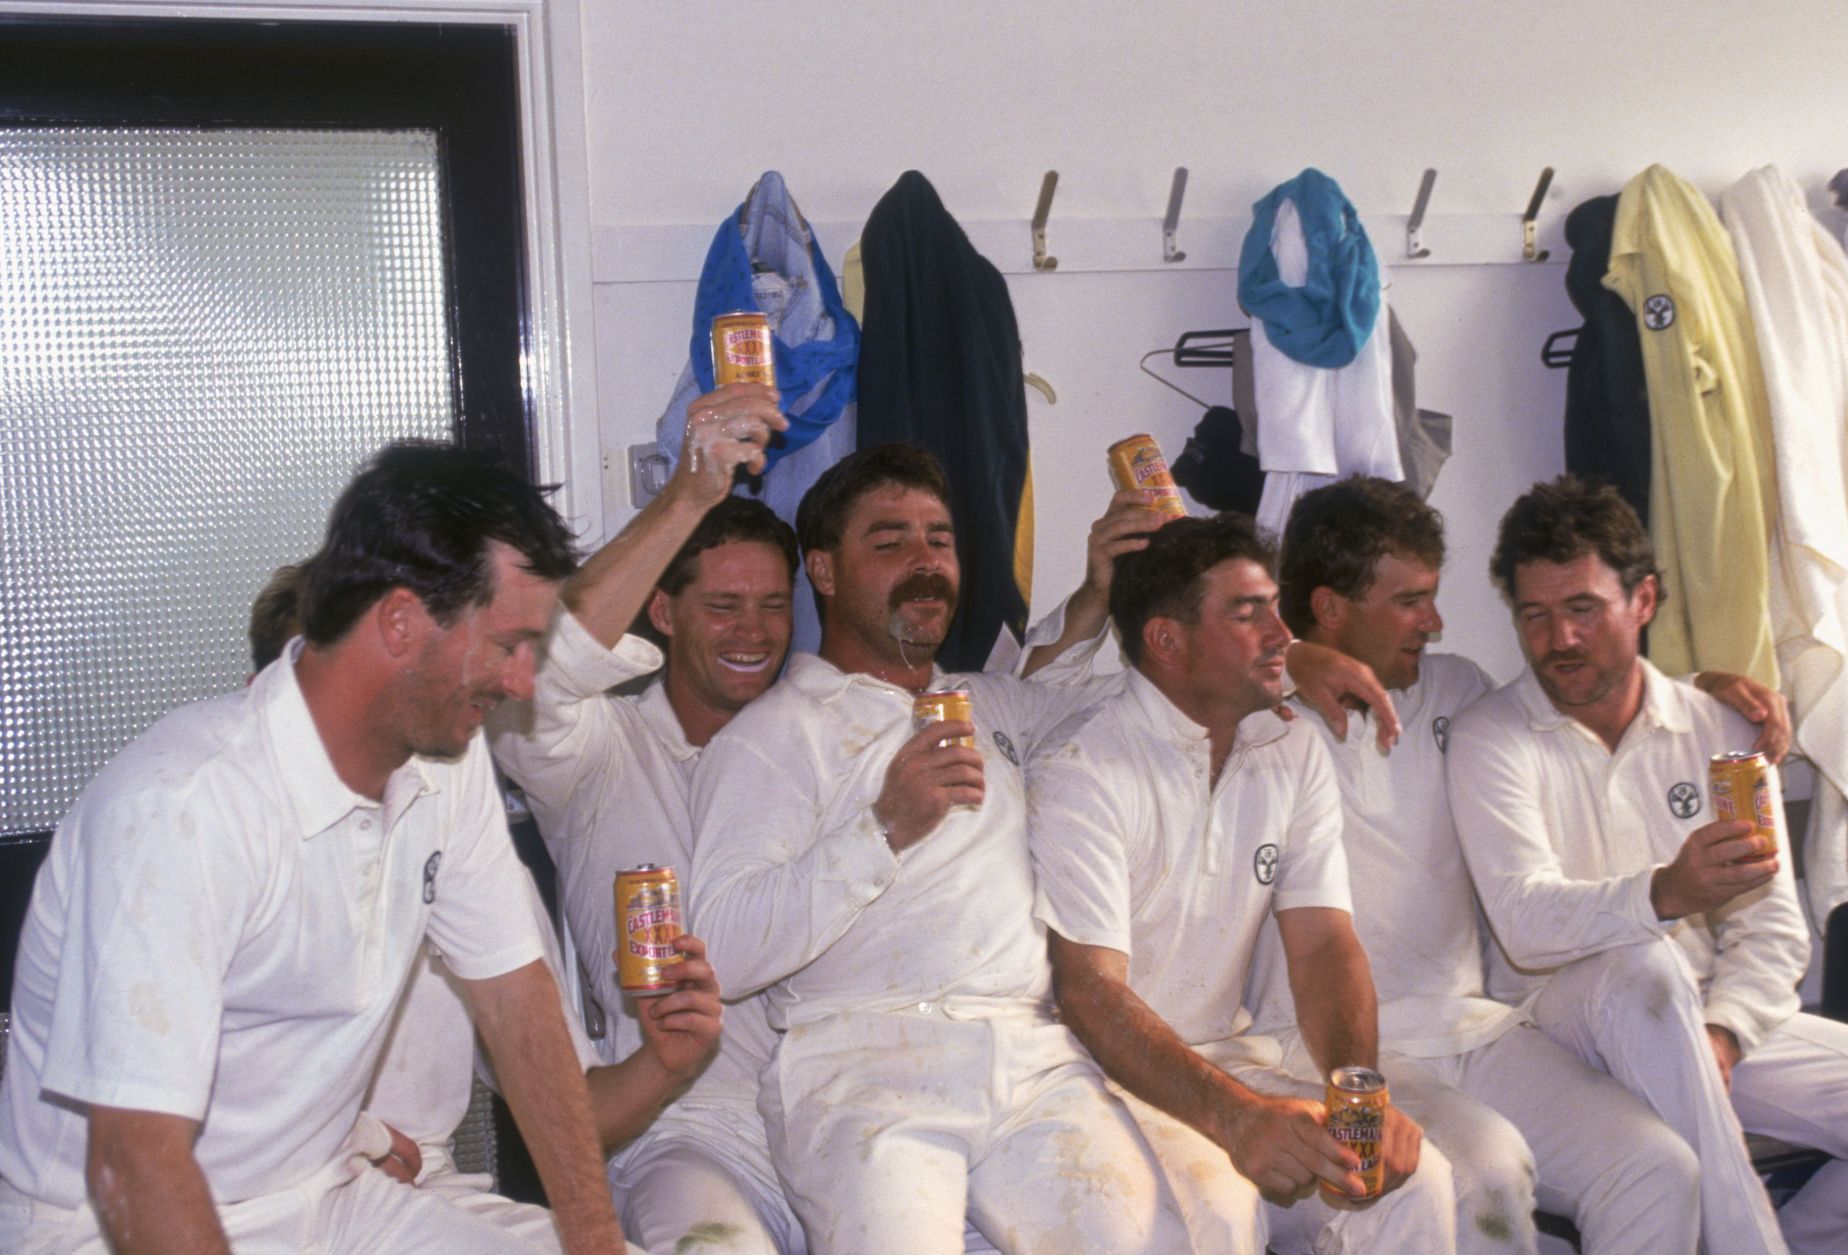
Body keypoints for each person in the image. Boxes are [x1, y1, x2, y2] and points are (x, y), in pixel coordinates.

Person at [0, 441, 630, 1254]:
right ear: (400, 622)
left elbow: (516, 1000)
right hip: (103, 1227)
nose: (521, 683)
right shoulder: (182, 806)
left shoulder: (449, 762)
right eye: (507, 643)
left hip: (322, 1199)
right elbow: (133, 1165)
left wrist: (596, 1243)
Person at [686, 442, 1193, 1254]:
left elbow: (1134, 701)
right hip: (863, 1066)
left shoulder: (989, 701)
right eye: (889, 543)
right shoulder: (774, 735)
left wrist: (1109, 590)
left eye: (940, 540)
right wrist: (881, 827)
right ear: (822, 570)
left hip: (1032, 1054)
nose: (924, 562)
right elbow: (723, 947)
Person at [1273, 475, 1775, 1252]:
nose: (1435, 621)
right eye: (1411, 600)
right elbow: (1131, 684)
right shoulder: (1256, 720)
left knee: (1658, 1167)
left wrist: (1707, 688)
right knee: (1493, 1180)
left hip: (1476, 1025)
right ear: (1330, 607)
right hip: (1332, 1049)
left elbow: (1572, 694)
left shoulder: (1455, 690)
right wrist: (1288, 658)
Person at [1448, 475, 1848, 1254]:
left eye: (1582, 609)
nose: (1558, 639)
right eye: (1535, 615)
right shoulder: (1490, 734)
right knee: (1641, 958)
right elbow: (1528, 925)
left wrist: (1726, 1033)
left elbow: (1772, 926)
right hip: (1558, 1031)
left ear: (1644, 599)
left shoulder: (1721, 725)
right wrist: (1668, 890)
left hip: (1698, 1016)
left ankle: (1790, 1240)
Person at [244, 552, 727, 1250]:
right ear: (269, 691)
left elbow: (570, 1115)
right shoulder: (215, 831)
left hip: (422, 1195)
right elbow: (155, 1108)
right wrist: (356, 1139)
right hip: (255, 1201)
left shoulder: (451, 837)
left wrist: (665, 1061)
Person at [1027, 511, 1458, 1253]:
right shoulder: (1083, 766)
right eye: (1247, 612)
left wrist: (1360, 1093)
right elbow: (1089, 992)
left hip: (1226, 1062)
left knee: (1416, 1182)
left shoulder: (1290, 746)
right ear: (1166, 639)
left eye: (1275, 608)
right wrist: (1237, 1118)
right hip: (1095, 1079)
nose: (1282, 636)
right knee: (1221, 1208)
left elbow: (1324, 941)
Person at [489, 383, 814, 1253]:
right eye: (723, 605)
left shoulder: (822, 743)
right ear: (664, 613)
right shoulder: (594, 748)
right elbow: (544, 659)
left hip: (839, 1107)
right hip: (685, 1130)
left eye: (773, 604)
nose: (753, 630)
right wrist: (689, 494)